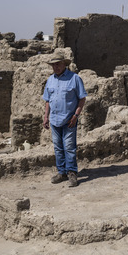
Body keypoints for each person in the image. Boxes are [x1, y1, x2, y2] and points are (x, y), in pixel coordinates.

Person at [42, 49, 87, 187]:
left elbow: (82, 98)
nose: (56, 67)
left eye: (58, 64)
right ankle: (61, 172)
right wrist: (46, 116)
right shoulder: (50, 80)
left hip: (69, 120)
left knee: (69, 147)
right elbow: (48, 100)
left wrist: (76, 115)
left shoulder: (74, 78)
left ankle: (72, 173)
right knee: (58, 147)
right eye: (53, 65)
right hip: (54, 120)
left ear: (64, 64)